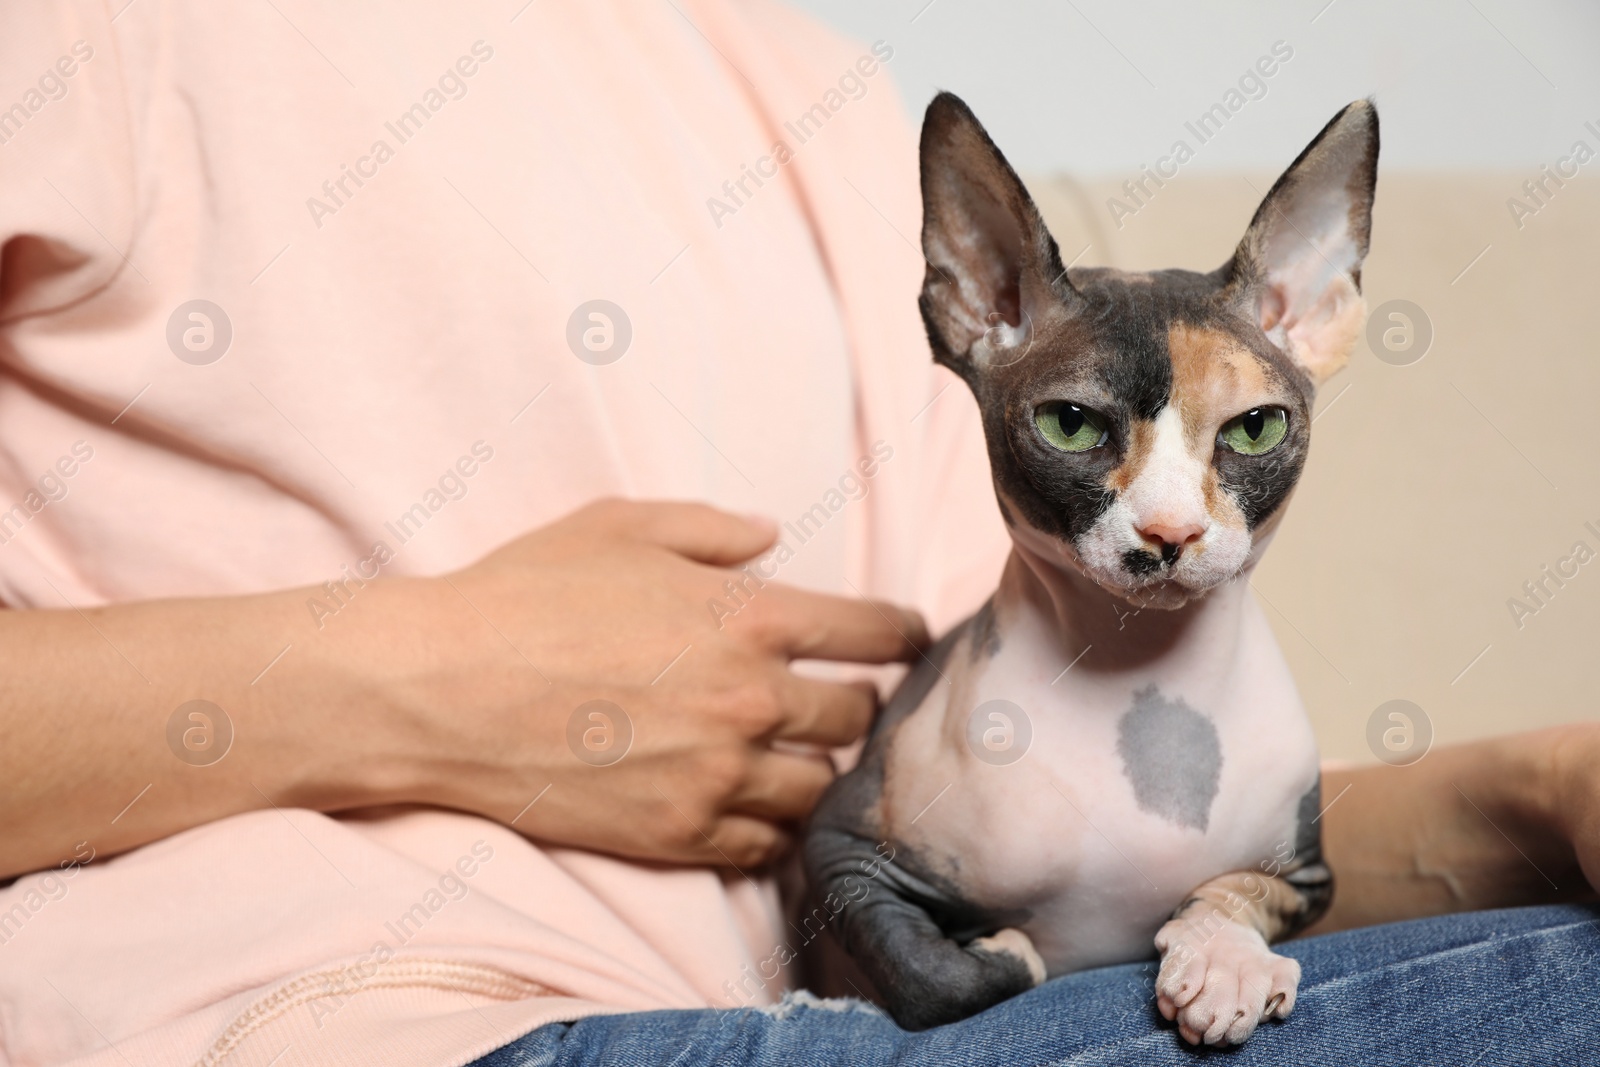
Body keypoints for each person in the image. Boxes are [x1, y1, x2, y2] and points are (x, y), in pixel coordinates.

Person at [0, 2, 1595, 1065]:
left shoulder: (803, 77)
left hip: (874, 1005)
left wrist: (1534, 802)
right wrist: (424, 684)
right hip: (375, 1021)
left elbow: (1065, 832)